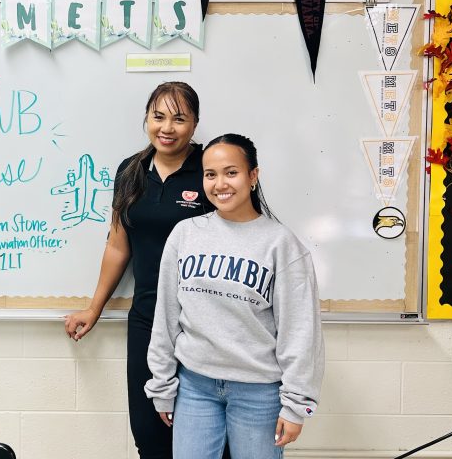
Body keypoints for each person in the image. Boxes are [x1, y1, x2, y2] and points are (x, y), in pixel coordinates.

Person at [145, 134, 324, 459]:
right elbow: (167, 318)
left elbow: (300, 333)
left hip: (259, 394)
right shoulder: (185, 235)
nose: (219, 184)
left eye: (231, 172)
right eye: (210, 174)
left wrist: (297, 405)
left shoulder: (281, 244)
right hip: (194, 386)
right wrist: (162, 385)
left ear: (253, 176)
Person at [64, 81, 212, 459]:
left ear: (195, 123)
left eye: (179, 118)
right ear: (146, 119)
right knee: (149, 433)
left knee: (204, 434)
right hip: (147, 318)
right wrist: (94, 307)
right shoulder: (131, 170)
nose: (167, 127)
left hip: (206, 321)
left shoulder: (211, 169)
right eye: (158, 116)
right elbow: (118, 244)